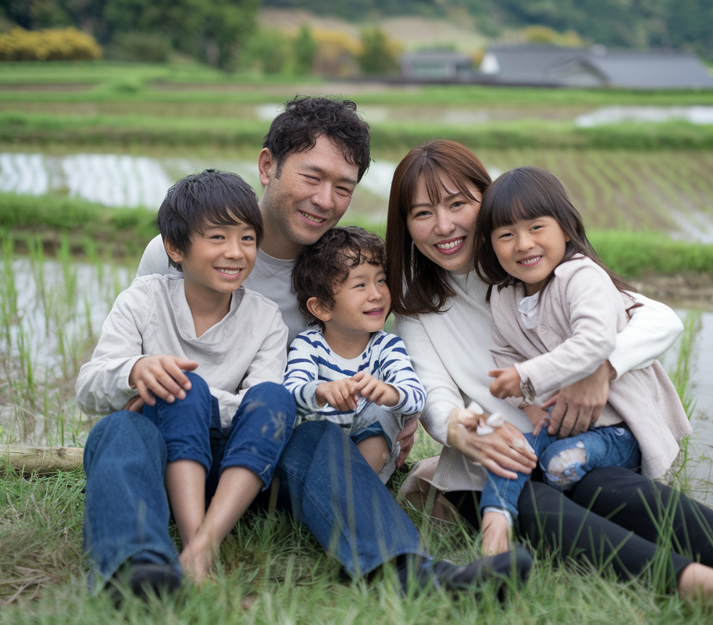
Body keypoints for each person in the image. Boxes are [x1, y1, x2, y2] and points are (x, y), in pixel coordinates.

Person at [386, 139, 713, 606]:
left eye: (458, 204)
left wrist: (601, 370)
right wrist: (459, 429)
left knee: (613, 489)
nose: (443, 226)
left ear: (486, 202)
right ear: (405, 225)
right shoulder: (417, 310)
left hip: (567, 444)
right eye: (423, 213)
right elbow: (434, 397)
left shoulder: (537, 272)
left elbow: (659, 318)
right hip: (488, 468)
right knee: (539, 506)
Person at [132, 97, 532, 596]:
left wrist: (389, 415)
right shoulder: (181, 251)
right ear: (267, 166)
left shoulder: (336, 275)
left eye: (343, 187)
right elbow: (136, 359)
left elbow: (377, 365)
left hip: (270, 458)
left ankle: (414, 574)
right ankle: (146, 565)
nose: (325, 199)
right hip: (182, 445)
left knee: (316, 438)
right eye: (312, 177)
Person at [77, 170, 295, 594]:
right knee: (121, 427)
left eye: (247, 238)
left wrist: (171, 395)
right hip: (152, 463)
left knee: (273, 397)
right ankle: (136, 564)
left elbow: (260, 408)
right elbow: (88, 388)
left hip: (226, 471)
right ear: (175, 248)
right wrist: (136, 371)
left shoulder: (266, 318)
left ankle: (201, 548)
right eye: (217, 238)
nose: (235, 252)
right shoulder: (142, 299)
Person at [470, 166, 691, 556]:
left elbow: (595, 342)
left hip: (620, 426)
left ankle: (569, 502)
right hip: (560, 421)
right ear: (490, 245)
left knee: (557, 463)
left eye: (536, 227)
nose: (523, 244)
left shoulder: (581, 277)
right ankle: (495, 531)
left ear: (567, 228)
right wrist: (528, 405)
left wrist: (525, 375)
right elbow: (505, 355)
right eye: (506, 235)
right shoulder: (504, 296)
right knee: (512, 449)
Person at [284, 226, 426, 482]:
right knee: (306, 427)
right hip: (321, 458)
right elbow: (290, 392)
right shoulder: (308, 345)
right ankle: (332, 488)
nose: (377, 294)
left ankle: (354, 488)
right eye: (360, 285)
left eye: (381, 280)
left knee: (383, 412)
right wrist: (321, 391)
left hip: (371, 457)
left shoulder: (387, 346)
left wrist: (390, 393)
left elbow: (416, 396)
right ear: (322, 307)